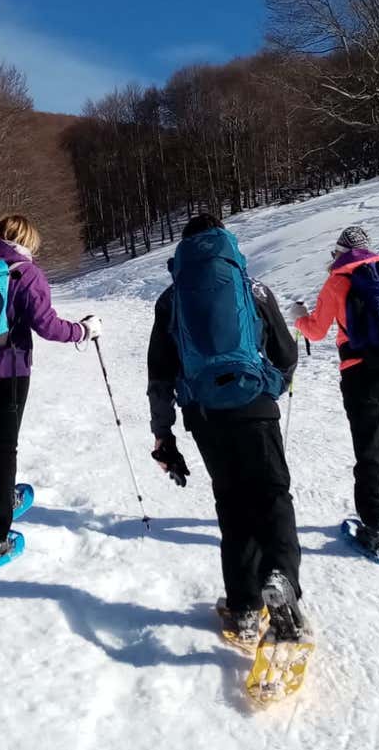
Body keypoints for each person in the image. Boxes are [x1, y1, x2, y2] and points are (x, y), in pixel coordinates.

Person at [147, 214, 303, 644]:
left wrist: (164, 435)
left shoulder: (171, 298)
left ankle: (245, 608)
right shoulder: (253, 288)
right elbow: (286, 353)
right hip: (256, 404)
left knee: (232, 503)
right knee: (272, 496)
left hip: (205, 414)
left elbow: (159, 375)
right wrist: (273, 386)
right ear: (227, 243)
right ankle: (281, 581)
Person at [0, 214, 101, 564]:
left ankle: (3, 499)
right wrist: (83, 331)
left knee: (3, 440)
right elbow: (47, 326)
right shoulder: (26, 273)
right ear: (28, 241)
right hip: (9, 373)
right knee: (3, 449)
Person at [291, 225, 379, 561]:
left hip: (359, 373)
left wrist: (299, 319)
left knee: (368, 447)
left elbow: (317, 331)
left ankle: (375, 527)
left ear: (339, 252)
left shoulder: (337, 282)